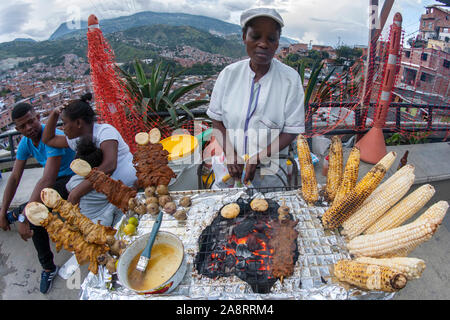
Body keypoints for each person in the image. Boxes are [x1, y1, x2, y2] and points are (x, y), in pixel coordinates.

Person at [206, 7, 305, 188]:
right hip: (229, 170)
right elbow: (217, 121)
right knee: (226, 212)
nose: (263, 44)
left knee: (269, 213)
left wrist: (259, 157)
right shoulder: (229, 74)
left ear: (277, 43)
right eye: (256, 36)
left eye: (271, 39)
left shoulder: (290, 80)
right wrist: (230, 153)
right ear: (244, 37)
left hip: (269, 174)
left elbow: (291, 131)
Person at [0, 102, 76, 294]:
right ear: (16, 129)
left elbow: (48, 179)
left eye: (31, 121)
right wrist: (2, 211)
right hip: (52, 184)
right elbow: (15, 177)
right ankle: (12, 214)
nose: (29, 128)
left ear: (38, 117)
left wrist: (25, 216)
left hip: (71, 179)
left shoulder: (52, 136)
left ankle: (49, 268)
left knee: (35, 217)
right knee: (33, 206)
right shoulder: (26, 143)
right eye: (23, 126)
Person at [42, 92, 137, 206]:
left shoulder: (105, 131)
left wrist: (78, 191)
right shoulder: (76, 139)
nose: (63, 128)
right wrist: (54, 113)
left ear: (78, 123)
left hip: (126, 186)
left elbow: (109, 166)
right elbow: (48, 139)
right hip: (106, 191)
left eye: (65, 123)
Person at [66, 136, 123, 227]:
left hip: (84, 222)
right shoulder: (109, 181)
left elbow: (70, 193)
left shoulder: (73, 182)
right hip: (105, 221)